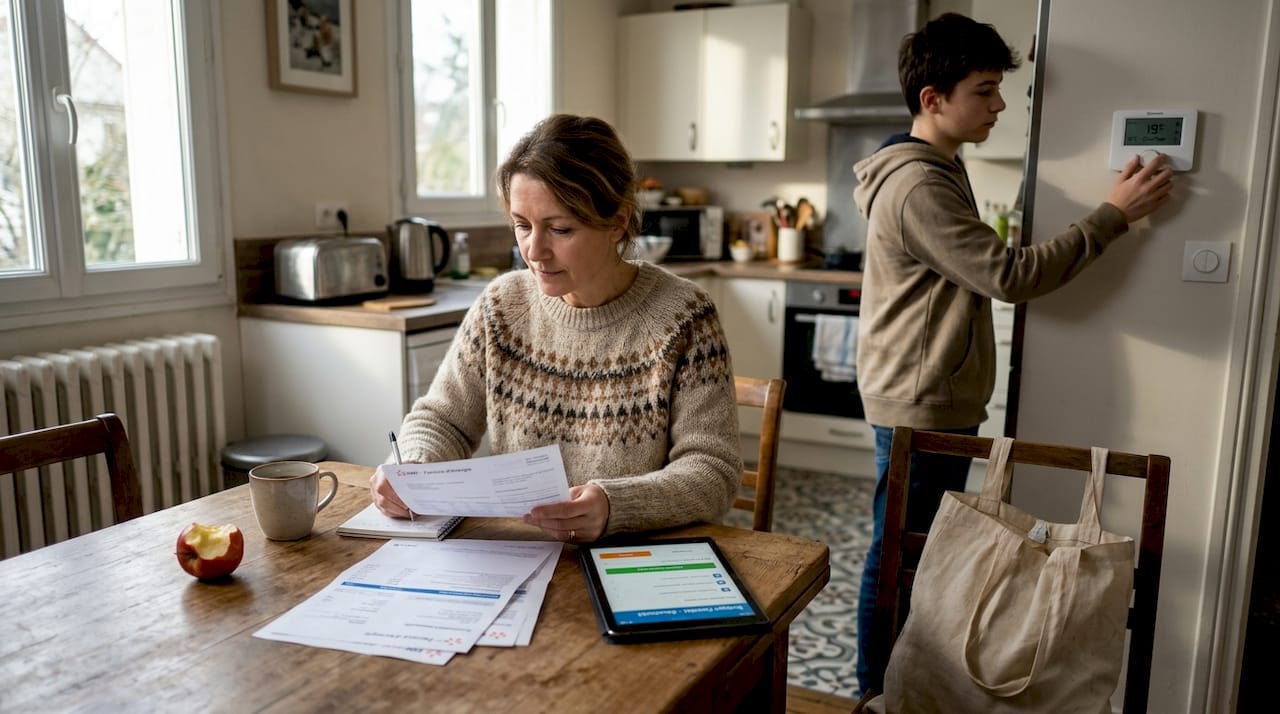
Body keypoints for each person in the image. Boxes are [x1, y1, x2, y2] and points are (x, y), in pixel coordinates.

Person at [851, 13, 1175, 695]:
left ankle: (894, 686)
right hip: (922, 396)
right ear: (932, 100)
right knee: (900, 558)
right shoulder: (919, 183)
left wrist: (1034, 56)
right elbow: (1012, 276)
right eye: (985, 90)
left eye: (1001, 88)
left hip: (928, 390)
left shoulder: (932, 161)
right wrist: (1113, 212)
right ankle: (873, 693)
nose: (1000, 105)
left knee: (912, 550)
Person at [369, 114, 743, 543]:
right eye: (521, 225)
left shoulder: (685, 318)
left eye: (560, 228)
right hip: (521, 559)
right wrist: (413, 469)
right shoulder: (501, 307)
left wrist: (614, 505)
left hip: (632, 559)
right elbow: (443, 420)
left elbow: (712, 469)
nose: (534, 251)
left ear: (617, 222)